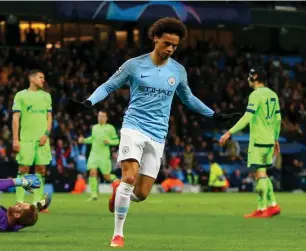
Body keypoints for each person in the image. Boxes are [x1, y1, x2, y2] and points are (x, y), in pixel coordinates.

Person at [66, 17, 240, 247]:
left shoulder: (178, 71)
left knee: (142, 193)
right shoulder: (133, 65)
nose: (170, 49)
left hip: (158, 135)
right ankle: (118, 234)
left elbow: (188, 98)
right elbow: (109, 85)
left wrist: (214, 115)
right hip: (133, 127)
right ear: (155, 38)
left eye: (174, 46)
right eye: (167, 43)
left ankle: (118, 189)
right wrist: (89, 102)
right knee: (129, 177)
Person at [220, 66, 281, 218]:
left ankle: (263, 208)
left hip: (258, 140)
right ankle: (272, 205)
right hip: (268, 141)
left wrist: (229, 132)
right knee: (263, 173)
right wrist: (276, 138)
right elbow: (278, 119)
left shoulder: (255, 95)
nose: (248, 79)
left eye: (250, 76)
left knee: (259, 174)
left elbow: (247, 117)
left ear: (255, 77)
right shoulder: (273, 95)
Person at [12, 69, 52, 211]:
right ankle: (19, 201)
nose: (43, 80)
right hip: (26, 140)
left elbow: (49, 117)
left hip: (42, 139)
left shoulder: (46, 96)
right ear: (32, 79)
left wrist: (46, 134)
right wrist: (16, 139)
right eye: (41, 77)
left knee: (41, 170)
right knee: (23, 169)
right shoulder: (20, 96)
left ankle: (37, 204)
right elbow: (15, 118)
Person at [78, 109, 119, 201]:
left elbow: (117, 141)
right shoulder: (94, 127)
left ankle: (119, 184)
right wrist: (84, 140)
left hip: (104, 156)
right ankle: (94, 195)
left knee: (107, 177)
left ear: (106, 118)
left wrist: (110, 142)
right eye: (99, 116)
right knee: (92, 172)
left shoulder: (110, 128)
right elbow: (92, 139)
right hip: (94, 154)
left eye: (103, 116)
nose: (101, 118)